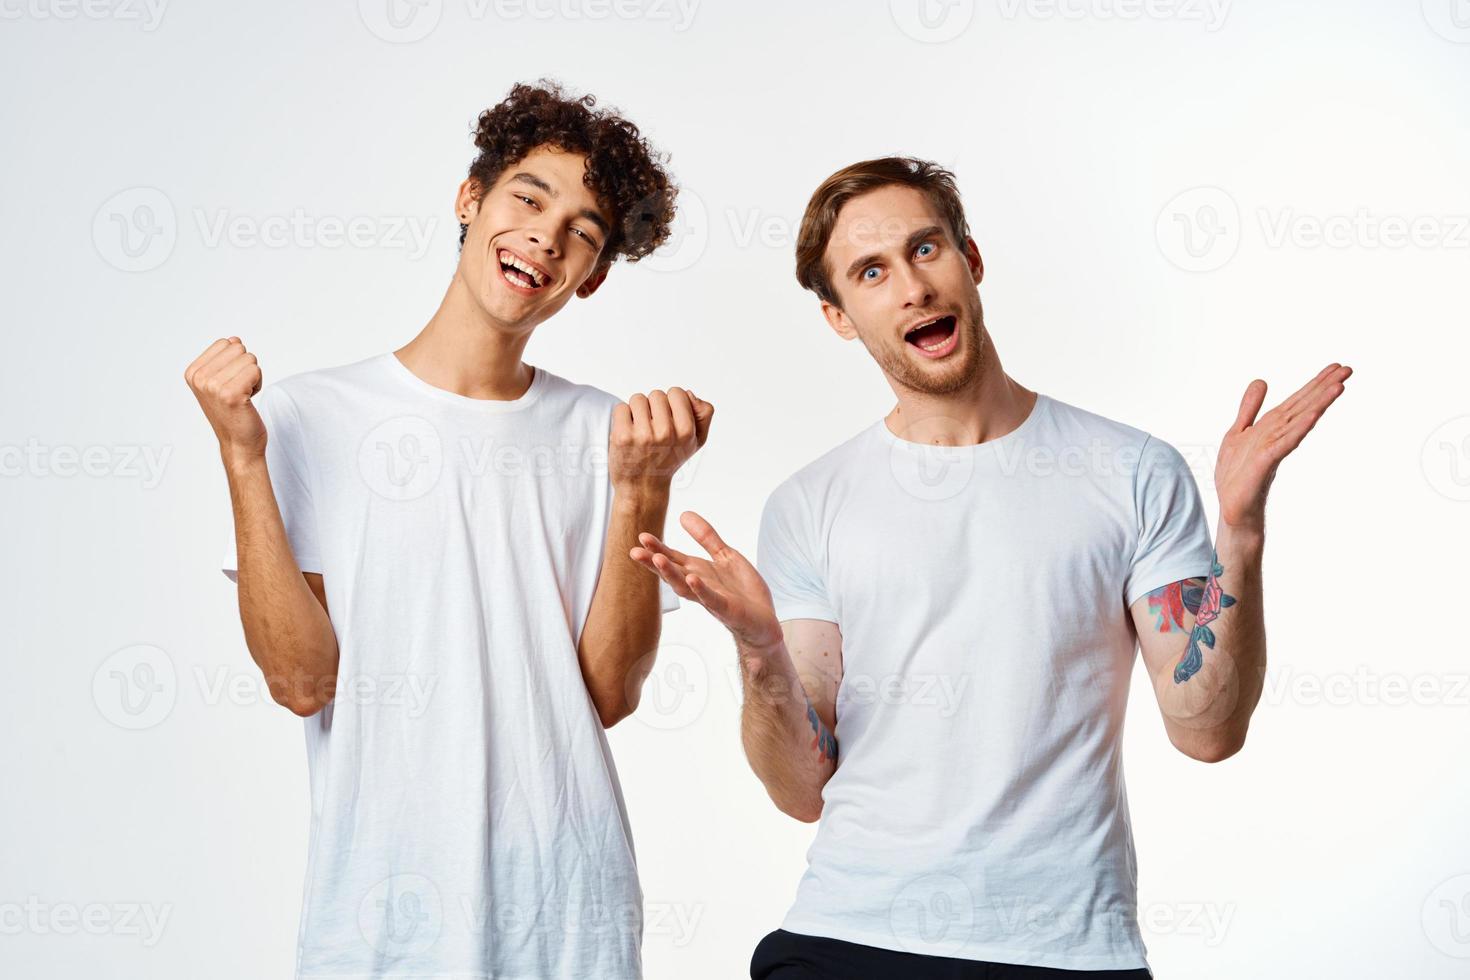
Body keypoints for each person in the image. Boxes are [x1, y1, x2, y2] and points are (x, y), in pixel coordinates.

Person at [630, 156, 1350, 979]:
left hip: (1066, 951)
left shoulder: (1131, 470)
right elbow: (802, 791)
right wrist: (759, 647)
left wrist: (1241, 532)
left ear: (971, 261)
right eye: (872, 272)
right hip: (846, 938)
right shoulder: (810, 502)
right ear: (839, 317)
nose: (912, 288)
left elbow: (1207, 731)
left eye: (926, 250)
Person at [185, 81, 709, 979]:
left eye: (583, 231)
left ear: (590, 278)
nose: (547, 235)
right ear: (471, 201)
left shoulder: (610, 435)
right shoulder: (310, 417)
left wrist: (641, 489)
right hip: (379, 921)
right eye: (529, 197)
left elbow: (610, 696)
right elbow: (302, 681)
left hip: (569, 917)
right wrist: (242, 458)